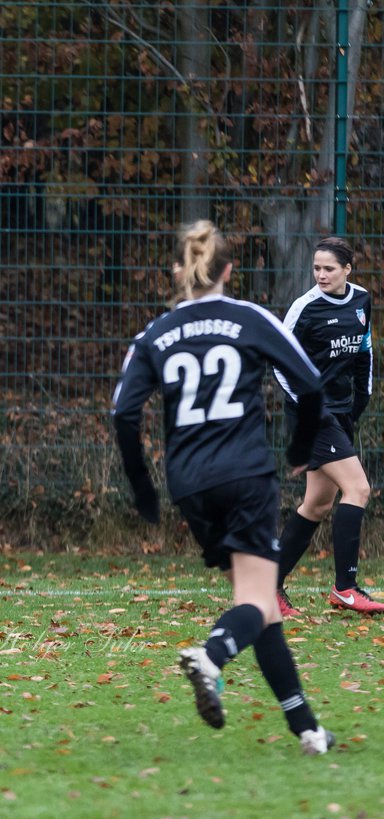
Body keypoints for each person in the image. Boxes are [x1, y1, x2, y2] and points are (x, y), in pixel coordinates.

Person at [112, 220, 334, 755]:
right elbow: (308, 384)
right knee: (257, 602)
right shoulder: (250, 318)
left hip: (190, 484)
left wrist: (143, 487)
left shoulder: (156, 334)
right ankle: (211, 656)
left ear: (178, 271)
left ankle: (307, 729)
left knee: (260, 605)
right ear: (230, 271)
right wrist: (300, 452)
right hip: (244, 475)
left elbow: (123, 413)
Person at [272, 237, 379, 617]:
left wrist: (358, 405)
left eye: (329, 268)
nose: (320, 275)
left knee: (316, 503)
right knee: (359, 488)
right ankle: (345, 587)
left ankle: (269, 588)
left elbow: (364, 353)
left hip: (340, 413)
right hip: (312, 416)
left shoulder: (361, 300)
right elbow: (279, 365)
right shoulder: (305, 308)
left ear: (348, 269)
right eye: (316, 268)